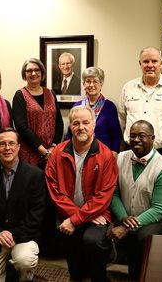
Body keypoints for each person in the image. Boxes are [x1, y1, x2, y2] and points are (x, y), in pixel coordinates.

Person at [45, 105, 118, 281]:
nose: (81, 127)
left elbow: (104, 195)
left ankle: (100, 277)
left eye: (86, 122)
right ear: (70, 126)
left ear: (94, 125)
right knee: (72, 247)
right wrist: (78, 216)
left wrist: (76, 219)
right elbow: (55, 192)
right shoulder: (57, 153)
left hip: (98, 214)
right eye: (76, 123)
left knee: (91, 240)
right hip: (69, 213)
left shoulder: (106, 155)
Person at [107, 120, 162, 280]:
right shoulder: (120, 159)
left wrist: (126, 228)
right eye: (132, 136)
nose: (136, 139)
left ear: (153, 139)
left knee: (144, 236)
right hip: (127, 216)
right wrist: (123, 219)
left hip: (160, 219)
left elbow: (158, 209)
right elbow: (114, 195)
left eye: (142, 136)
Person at [0, 127, 46, 281]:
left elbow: (37, 213)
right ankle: (7, 270)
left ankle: (24, 276)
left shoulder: (35, 175)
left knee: (24, 261)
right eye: (2, 144)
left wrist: (14, 234)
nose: (7, 148)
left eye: (11, 143)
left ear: (19, 147)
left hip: (23, 237)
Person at [119, 46, 162, 174]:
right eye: (146, 61)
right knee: (129, 191)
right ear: (140, 64)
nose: (150, 65)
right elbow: (122, 119)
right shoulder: (128, 87)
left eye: (154, 61)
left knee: (161, 193)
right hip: (132, 152)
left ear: (161, 64)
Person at [12, 57, 64, 168]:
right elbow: (21, 127)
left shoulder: (50, 93)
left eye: (37, 70)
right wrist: (42, 150)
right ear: (24, 74)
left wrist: (53, 147)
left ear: (42, 72)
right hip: (29, 154)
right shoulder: (20, 95)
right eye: (29, 71)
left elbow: (59, 122)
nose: (33, 73)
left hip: (52, 154)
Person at [65, 66, 122, 154]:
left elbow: (116, 134)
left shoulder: (109, 107)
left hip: (103, 154)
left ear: (101, 84)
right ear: (84, 84)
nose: (91, 85)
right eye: (88, 81)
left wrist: (114, 152)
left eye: (95, 81)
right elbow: (70, 132)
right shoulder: (77, 106)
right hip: (80, 152)